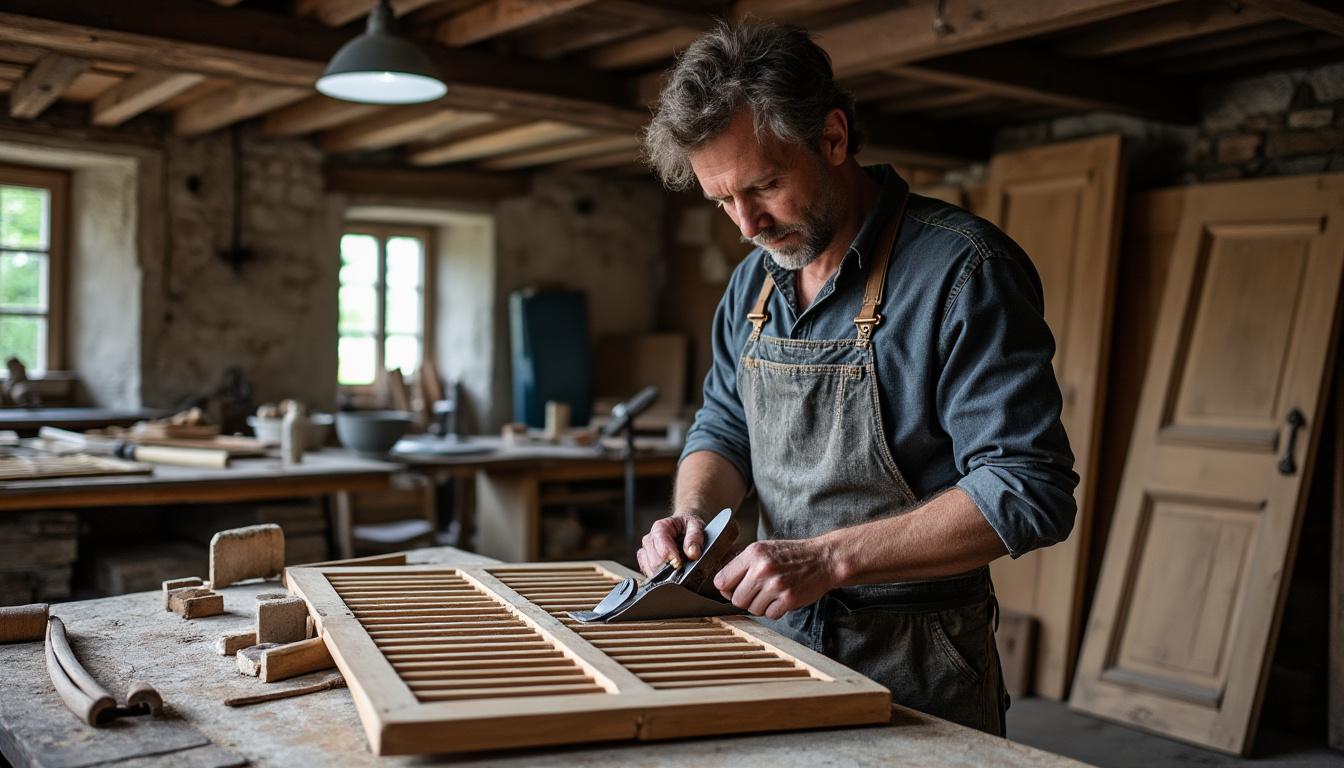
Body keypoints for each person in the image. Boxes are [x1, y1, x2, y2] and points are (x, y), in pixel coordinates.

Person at [636, 21, 1078, 735]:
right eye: (722, 201)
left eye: (765, 186)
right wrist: (694, 516)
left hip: (918, 657)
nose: (745, 225)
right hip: (777, 639)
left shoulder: (964, 272)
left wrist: (827, 558)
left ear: (834, 139)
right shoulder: (754, 282)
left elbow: (1027, 489)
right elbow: (724, 424)